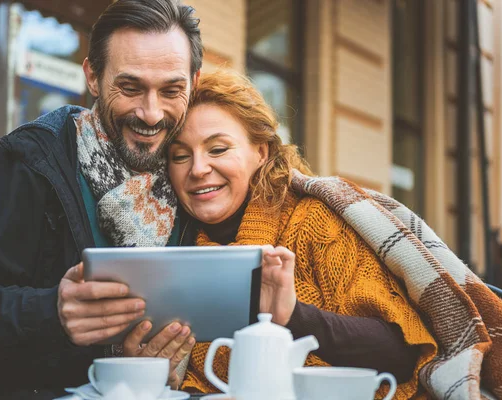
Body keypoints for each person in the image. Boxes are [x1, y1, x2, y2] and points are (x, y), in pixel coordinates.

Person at [0, 1, 202, 398]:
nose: (152, 114)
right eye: (130, 87)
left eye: (172, 90)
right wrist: (50, 312)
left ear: (194, 81)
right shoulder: (23, 164)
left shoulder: (191, 178)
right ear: (92, 76)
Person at [167, 71, 439, 399]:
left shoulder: (314, 222)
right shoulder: (172, 248)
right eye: (180, 156)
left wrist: (295, 316)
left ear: (261, 152)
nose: (197, 169)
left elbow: (401, 353)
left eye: (218, 149)